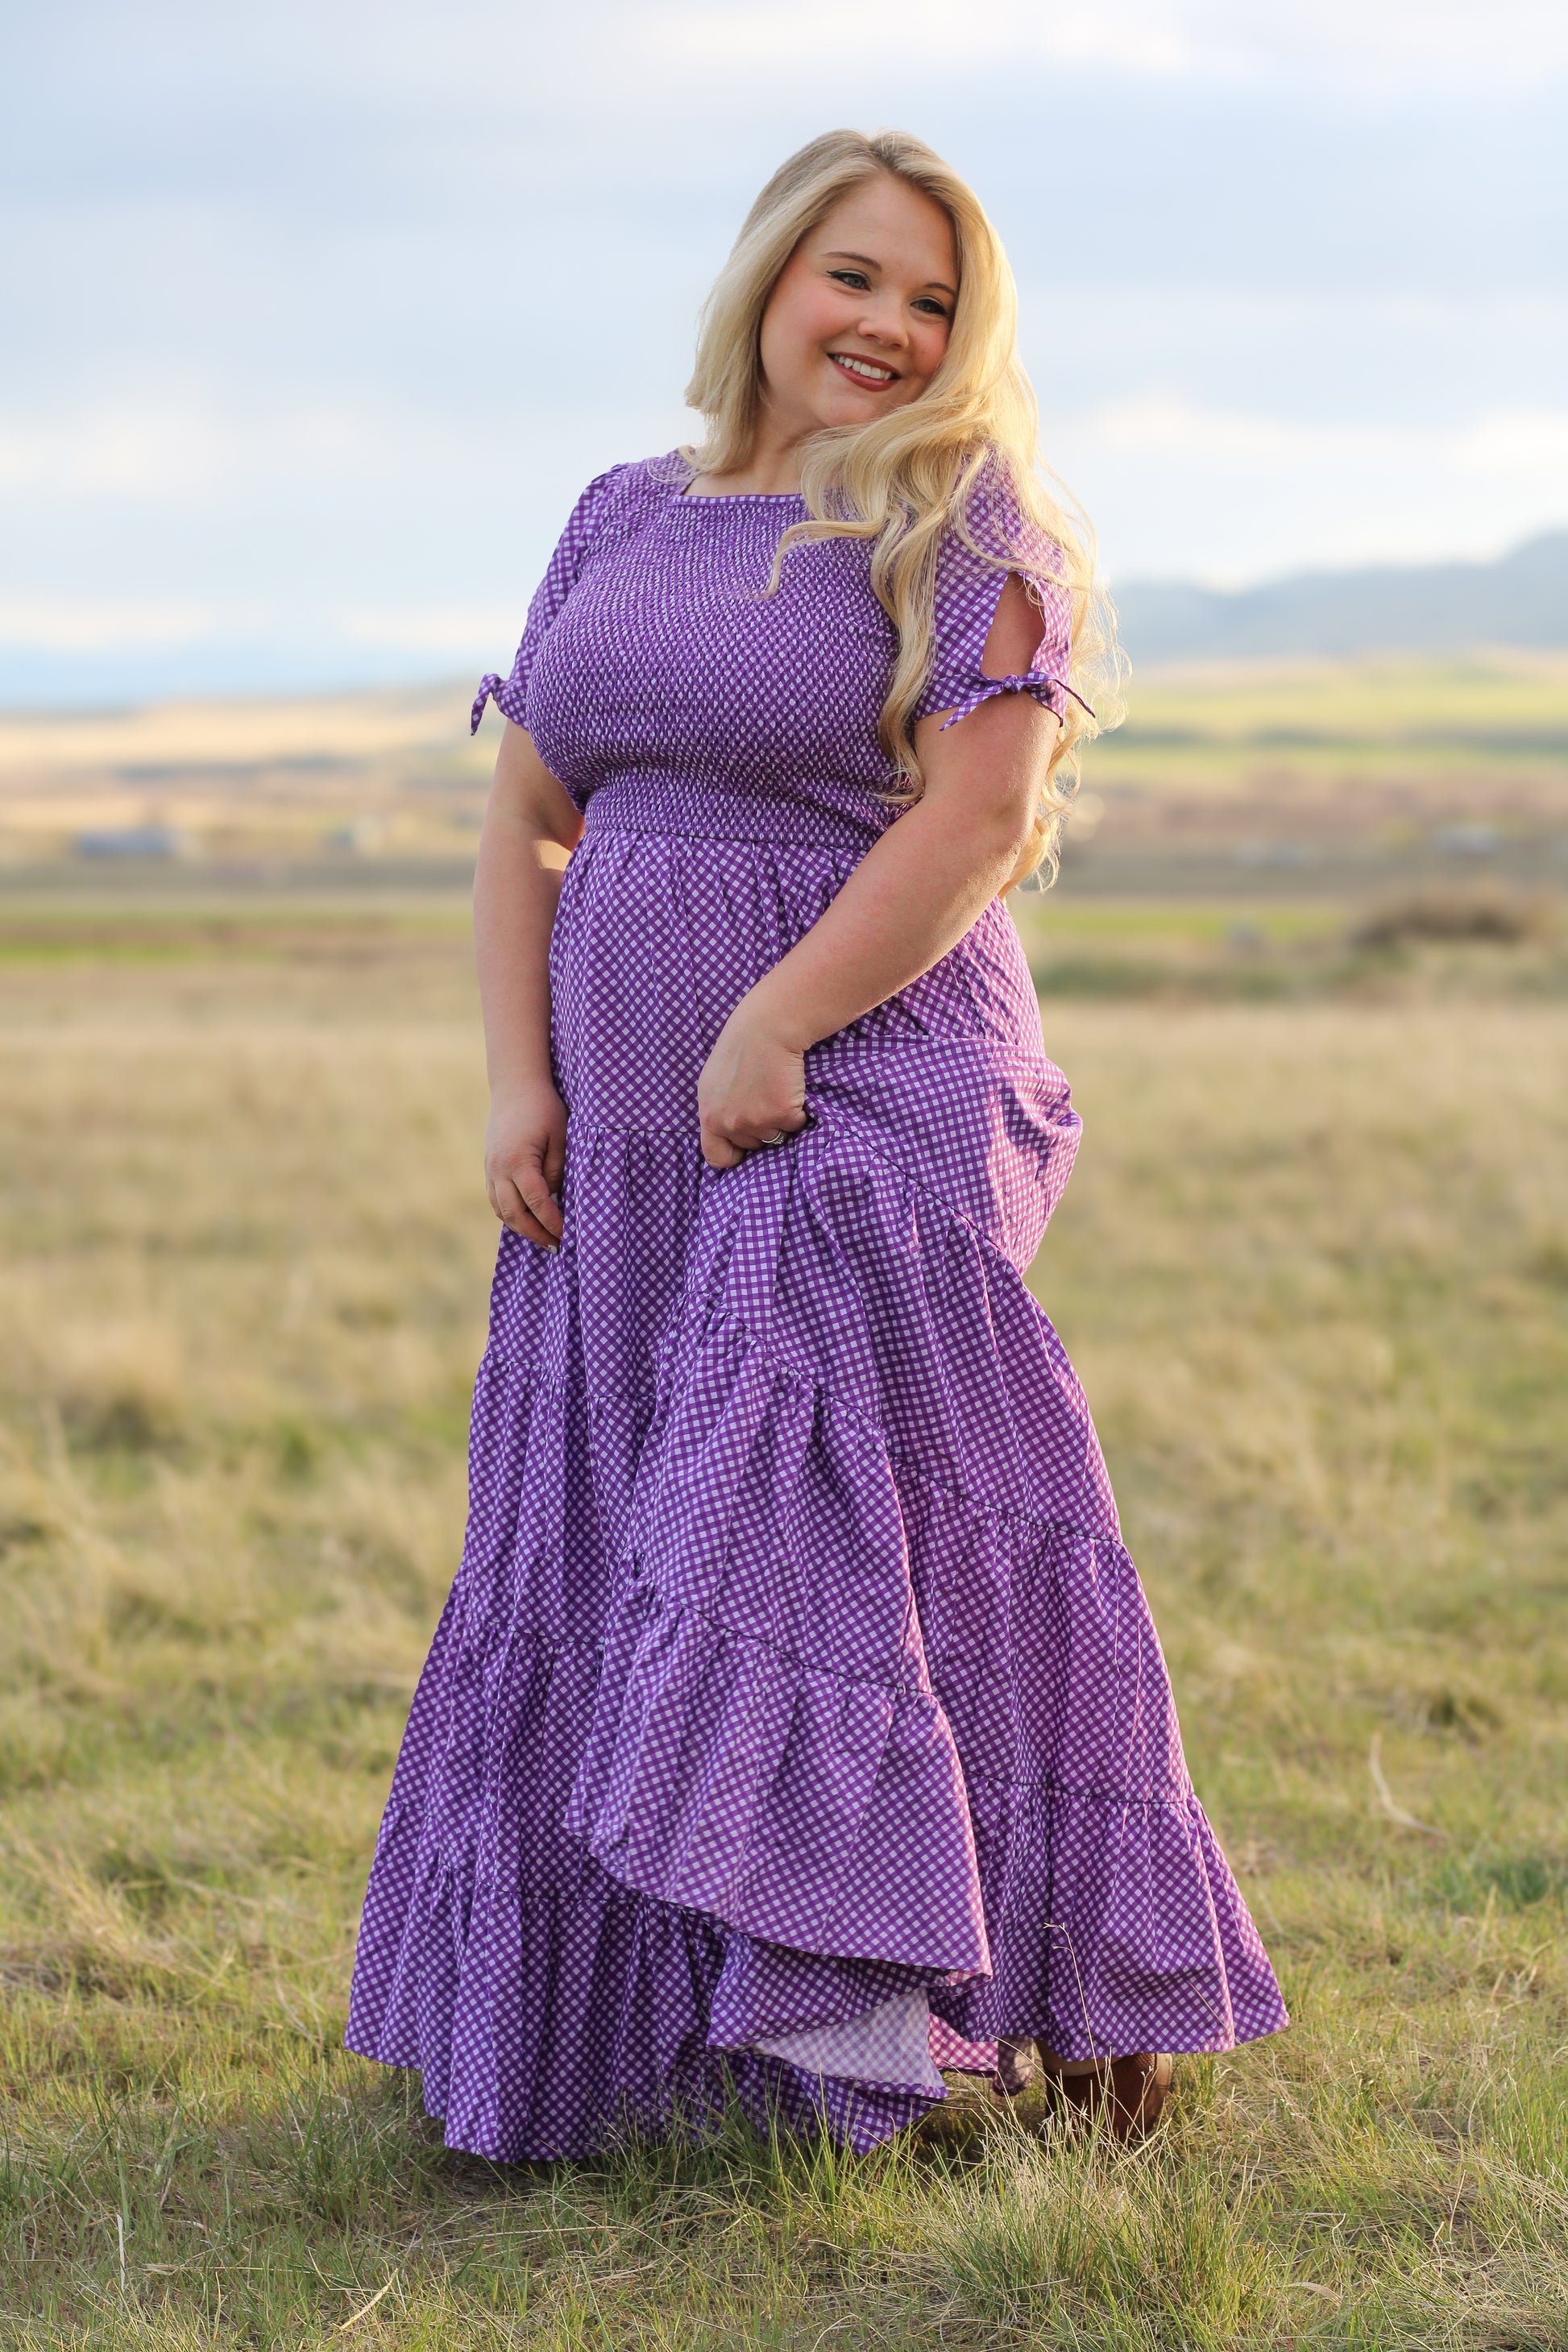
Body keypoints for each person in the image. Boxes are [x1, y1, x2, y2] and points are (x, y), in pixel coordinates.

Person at [346, 127, 1287, 2159]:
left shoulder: (964, 519)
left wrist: (777, 1014)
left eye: (934, 302)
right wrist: (521, 1078)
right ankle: (686, 2043)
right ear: (773, 278)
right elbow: (528, 813)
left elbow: (978, 818)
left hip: (879, 1070)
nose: (888, 326)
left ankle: (920, 2017)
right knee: (635, 1507)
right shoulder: (620, 512)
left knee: (817, 1503)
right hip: (628, 1119)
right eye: (856, 277)